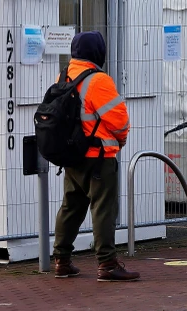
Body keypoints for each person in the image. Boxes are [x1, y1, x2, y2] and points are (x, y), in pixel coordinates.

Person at [52, 31, 139, 282]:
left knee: (71, 207)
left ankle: (61, 261)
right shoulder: (98, 80)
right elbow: (119, 120)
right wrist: (120, 141)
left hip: (72, 156)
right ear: (98, 52)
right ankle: (107, 264)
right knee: (103, 209)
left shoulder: (63, 75)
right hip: (99, 156)